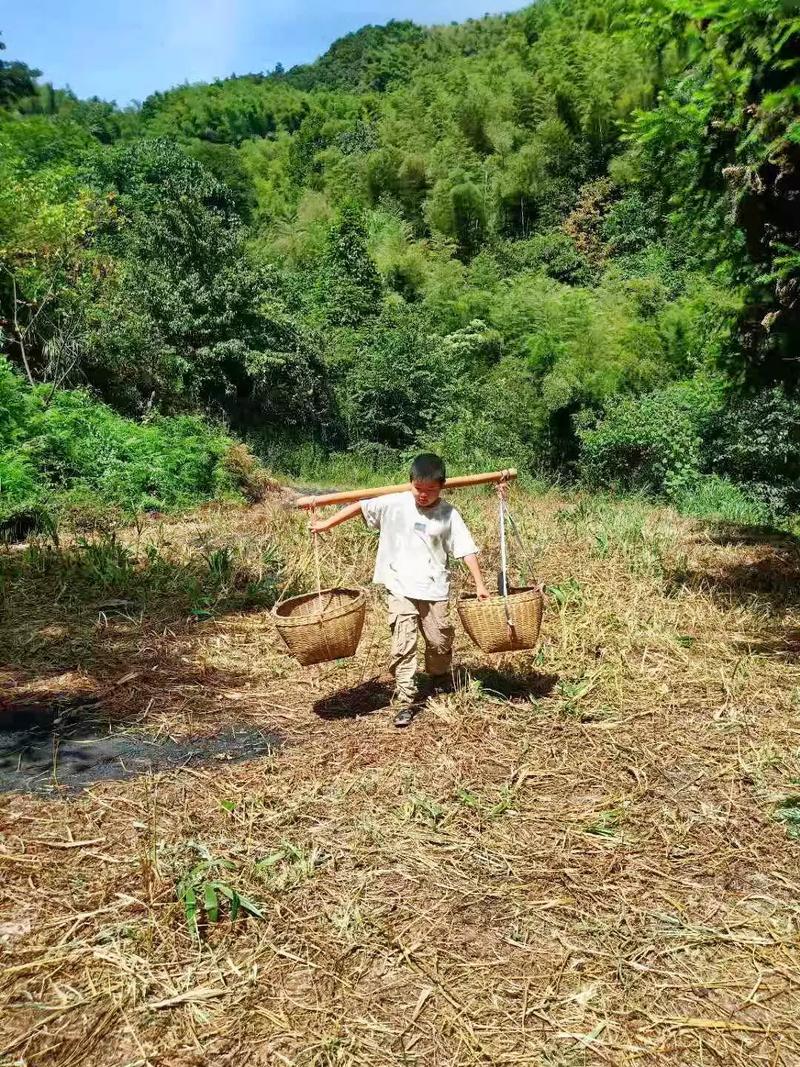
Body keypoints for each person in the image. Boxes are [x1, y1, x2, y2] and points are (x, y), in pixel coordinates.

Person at [310, 453, 490, 726]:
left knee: (440, 641)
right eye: (418, 488)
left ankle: (438, 677)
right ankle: (406, 698)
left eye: (431, 490)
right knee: (403, 644)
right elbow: (360, 506)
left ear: (442, 487)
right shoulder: (393, 503)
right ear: (410, 483)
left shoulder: (449, 514)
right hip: (400, 587)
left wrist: (479, 583)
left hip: (434, 588)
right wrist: (325, 524)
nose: (423, 495)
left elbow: (465, 550)